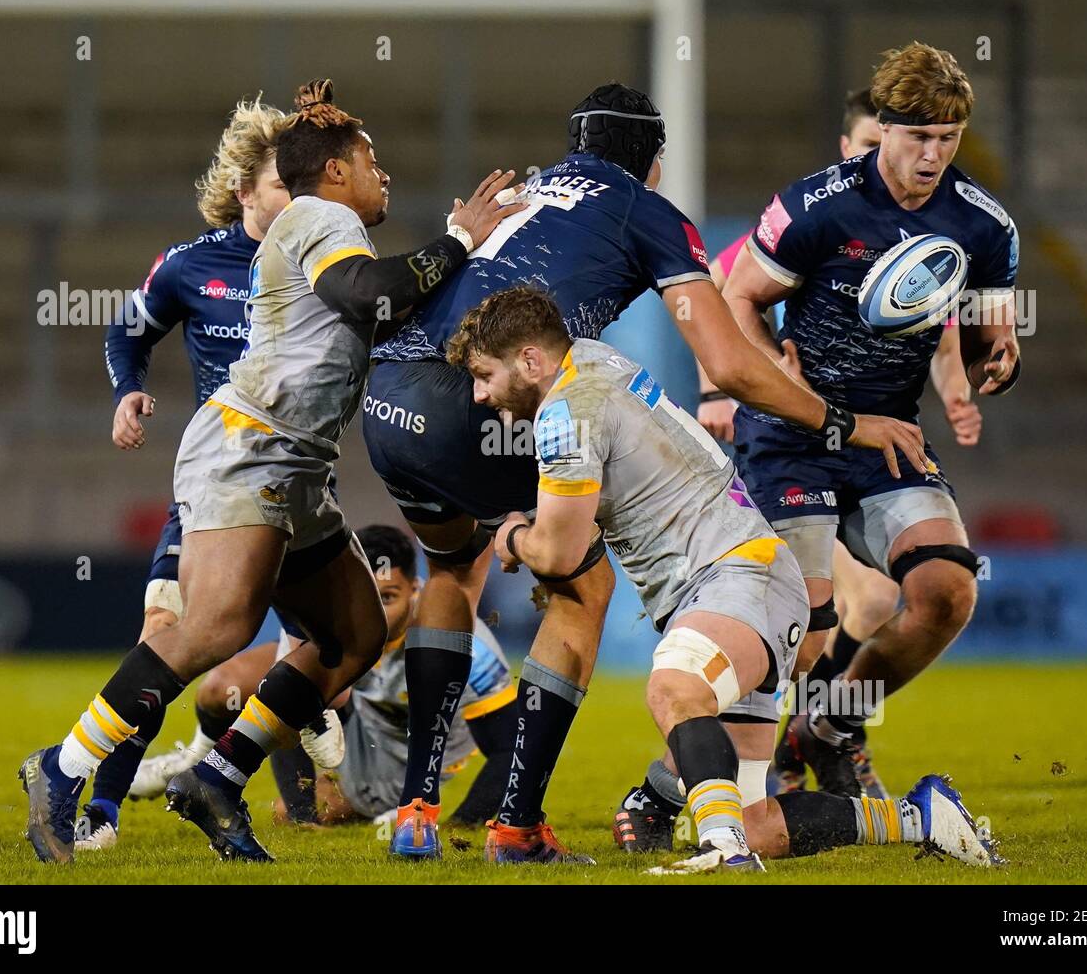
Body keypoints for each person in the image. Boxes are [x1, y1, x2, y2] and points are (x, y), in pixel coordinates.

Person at [364, 82, 928, 862]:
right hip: (479, 395)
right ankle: (518, 824)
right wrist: (842, 421)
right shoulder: (644, 211)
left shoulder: (527, 191)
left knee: (449, 572)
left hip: (388, 400)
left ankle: (416, 807)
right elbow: (728, 364)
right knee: (579, 584)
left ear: (574, 144)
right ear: (653, 164)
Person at [18, 78, 522, 864]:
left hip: (296, 466)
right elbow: (367, 294)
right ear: (331, 173)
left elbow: (382, 302)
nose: (383, 173)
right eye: (370, 159)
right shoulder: (319, 217)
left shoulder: (326, 230)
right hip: (248, 446)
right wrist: (457, 238)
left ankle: (217, 776)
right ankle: (62, 768)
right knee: (215, 626)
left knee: (352, 633)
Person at [452, 286, 1000, 871]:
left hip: (732, 579)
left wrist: (509, 535)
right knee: (757, 820)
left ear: (531, 361)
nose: (481, 394)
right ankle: (922, 816)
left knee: (673, 689)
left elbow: (559, 557)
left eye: (484, 375)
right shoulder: (592, 358)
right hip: (757, 580)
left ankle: (722, 850)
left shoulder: (566, 412)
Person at [719, 42, 1020, 799]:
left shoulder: (983, 227)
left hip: (886, 435)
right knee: (803, 629)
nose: (933, 154)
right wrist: (774, 371)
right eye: (919, 137)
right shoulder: (817, 206)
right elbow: (739, 297)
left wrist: (1002, 356)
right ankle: (666, 785)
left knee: (948, 590)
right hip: (792, 436)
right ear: (881, 127)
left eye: (948, 139)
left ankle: (827, 728)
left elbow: (990, 332)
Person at [76, 92, 293, 851]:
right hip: (210, 490)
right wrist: (126, 390)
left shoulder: (322, 262)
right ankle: (100, 808)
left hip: (298, 487)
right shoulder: (191, 266)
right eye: (282, 182)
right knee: (163, 633)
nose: (297, 197)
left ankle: (260, 775)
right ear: (245, 191)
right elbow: (126, 330)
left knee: (334, 642)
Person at [185, 525, 519, 829]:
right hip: (358, 714)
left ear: (415, 588)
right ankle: (200, 756)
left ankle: (335, 796)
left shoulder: (462, 644)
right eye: (368, 597)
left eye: (387, 597)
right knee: (222, 687)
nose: (377, 613)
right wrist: (304, 817)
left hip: (395, 757)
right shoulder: (349, 618)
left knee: (295, 809)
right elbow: (287, 697)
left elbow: (509, 746)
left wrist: (461, 824)